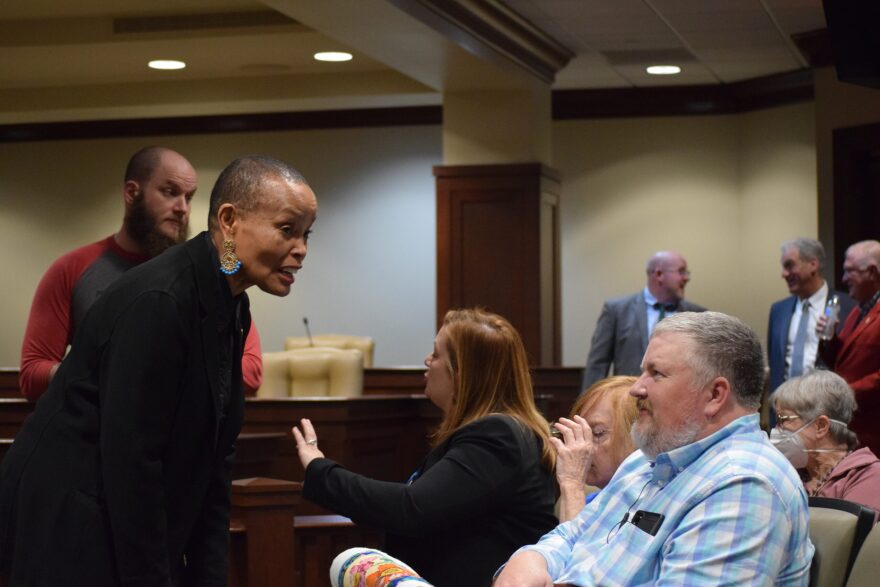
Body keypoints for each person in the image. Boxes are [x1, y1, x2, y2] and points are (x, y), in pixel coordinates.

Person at [0, 156, 318, 586]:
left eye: (306, 233)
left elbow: (214, 459)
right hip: (70, 515)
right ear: (229, 220)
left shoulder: (232, 301)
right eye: (287, 229)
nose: (301, 249)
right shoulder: (162, 299)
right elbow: (132, 464)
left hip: (119, 506)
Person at [495, 311, 813, 586]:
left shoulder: (744, 485)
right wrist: (530, 560)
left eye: (656, 373)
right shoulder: (645, 462)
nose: (636, 388)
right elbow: (573, 535)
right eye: (642, 371)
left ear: (715, 395)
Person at [292, 308, 558, 587]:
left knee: (350, 559)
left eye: (436, 354)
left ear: (461, 372)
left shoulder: (499, 436)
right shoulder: (501, 433)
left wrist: (321, 470)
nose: (427, 360)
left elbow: (411, 509)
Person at [18, 146, 263, 401]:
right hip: (98, 435)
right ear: (132, 193)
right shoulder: (71, 269)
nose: (183, 208)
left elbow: (251, 372)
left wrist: (152, 375)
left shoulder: (211, 274)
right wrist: (101, 373)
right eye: (170, 192)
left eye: (188, 197)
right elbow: (32, 376)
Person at [582, 251, 705, 390]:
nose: (686, 278)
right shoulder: (616, 311)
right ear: (659, 274)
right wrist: (588, 406)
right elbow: (598, 364)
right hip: (628, 401)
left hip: (677, 403)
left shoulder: (698, 315)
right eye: (681, 271)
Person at [772, 370, 880, 515]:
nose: (776, 430)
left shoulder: (866, 476)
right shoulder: (789, 475)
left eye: (783, 420)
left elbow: (842, 537)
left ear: (821, 426)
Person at [767, 238, 855, 395]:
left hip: (828, 406)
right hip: (785, 409)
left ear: (813, 265)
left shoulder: (849, 307)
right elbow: (775, 368)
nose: (784, 274)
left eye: (789, 265)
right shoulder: (778, 311)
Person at [818, 240, 880, 456]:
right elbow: (842, 359)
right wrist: (828, 338)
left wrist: (847, 392)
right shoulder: (858, 310)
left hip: (873, 427)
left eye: (849, 271)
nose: (844, 279)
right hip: (854, 426)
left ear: (872, 272)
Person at [553, 375, 638, 522]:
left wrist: (572, 484)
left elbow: (578, 546)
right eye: (582, 432)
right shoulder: (591, 501)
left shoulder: (644, 509)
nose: (583, 446)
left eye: (597, 433)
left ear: (637, 437)